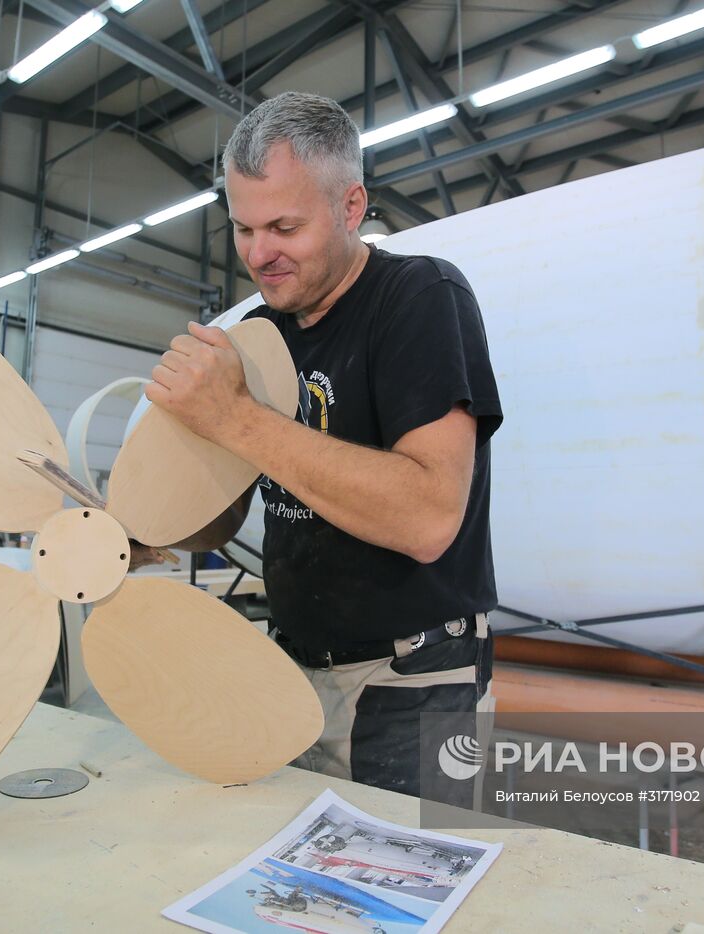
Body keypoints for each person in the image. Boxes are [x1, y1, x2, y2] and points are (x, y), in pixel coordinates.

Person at [140, 92, 503, 806]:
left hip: (414, 679)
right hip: (291, 669)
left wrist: (236, 416)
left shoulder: (421, 297)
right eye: (243, 228)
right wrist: (134, 530)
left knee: (407, 895)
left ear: (351, 206)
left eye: (284, 226)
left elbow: (429, 519)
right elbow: (218, 521)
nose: (259, 253)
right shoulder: (254, 332)